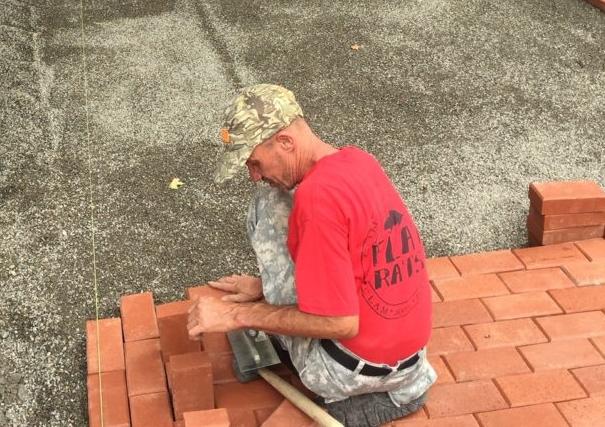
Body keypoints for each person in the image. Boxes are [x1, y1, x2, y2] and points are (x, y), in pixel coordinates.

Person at [187, 85, 436, 427]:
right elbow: (359, 261)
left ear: (286, 142)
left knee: (268, 204)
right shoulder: (359, 160)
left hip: (348, 372)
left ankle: (358, 398)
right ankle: (405, 386)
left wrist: (235, 314)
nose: (254, 175)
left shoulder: (317, 200)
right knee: (277, 199)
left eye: (255, 162)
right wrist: (264, 287)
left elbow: (340, 323)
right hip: (412, 361)